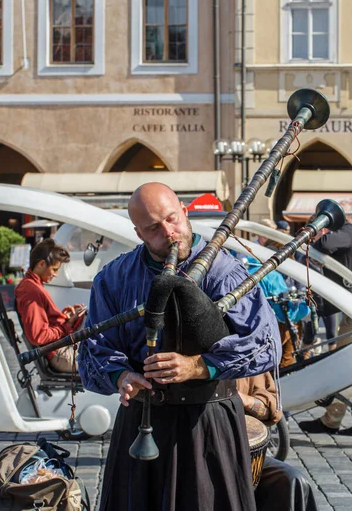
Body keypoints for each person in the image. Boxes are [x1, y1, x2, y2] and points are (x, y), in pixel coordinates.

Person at [78, 182, 282, 511]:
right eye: (154, 228)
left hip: (208, 422)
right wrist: (121, 377)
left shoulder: (224, 272)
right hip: (142, 422)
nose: (169, 233)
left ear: (184, 213)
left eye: (172, 219)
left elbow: (265, 344)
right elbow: (96, 350)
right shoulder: (114, 278)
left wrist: (198, 366)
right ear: (139, 232)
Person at [298, 221, 352, 435]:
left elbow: (324, 243)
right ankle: (332, 419)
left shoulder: (347, 233)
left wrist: (317, 234)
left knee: (343, 368)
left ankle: (331, 420)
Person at [237, 373, 319, 511]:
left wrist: (244, 400)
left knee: (293, 480)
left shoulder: (242, 357)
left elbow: (271, 408)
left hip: (244, 457)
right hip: (196, 457)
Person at [15, 238, 86, 373]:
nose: (55, 274)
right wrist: (65, 326)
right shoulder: (32, 292)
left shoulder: (32, 286)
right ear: (41, 264)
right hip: (60, 354)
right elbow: (38, 335)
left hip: (60, 349)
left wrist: (65, 318)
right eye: (54, 269)